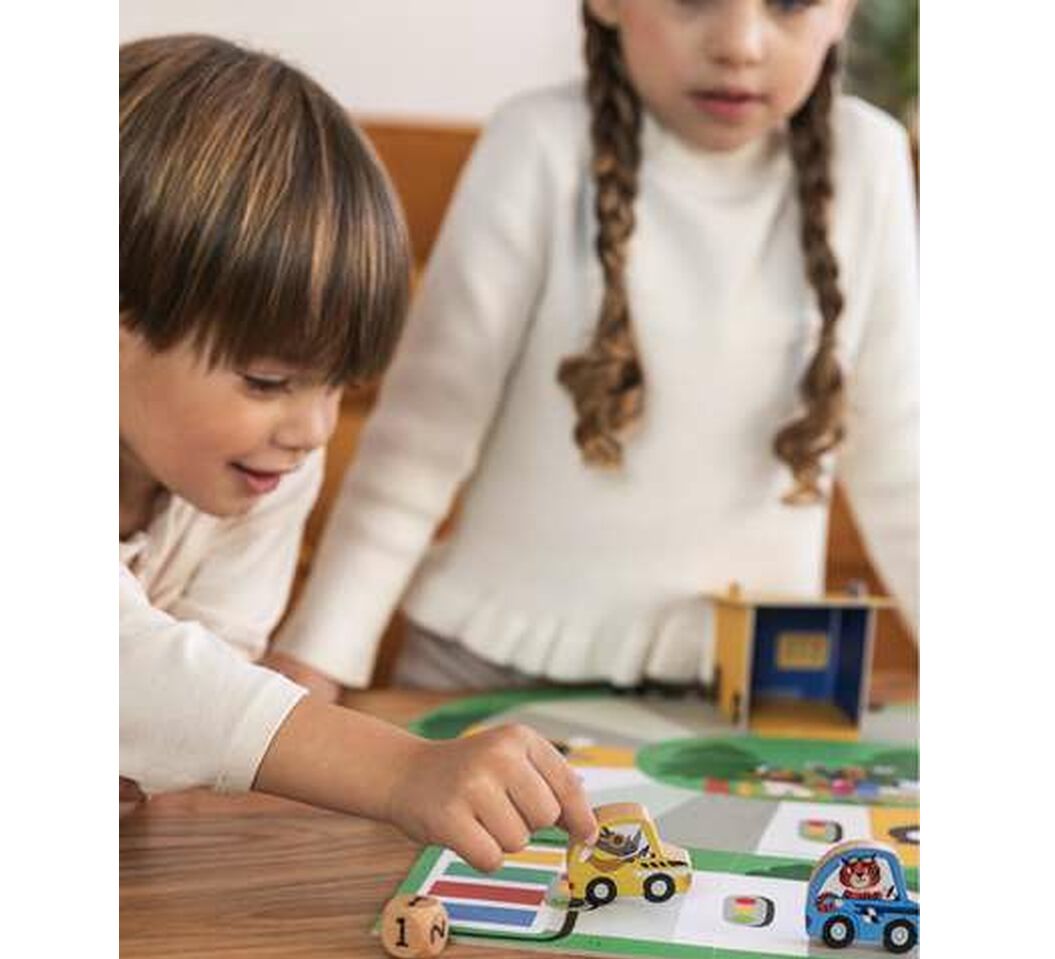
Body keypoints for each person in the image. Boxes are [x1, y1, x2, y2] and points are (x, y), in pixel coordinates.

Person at [271, 0, 918, 697]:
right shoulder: (537, 144)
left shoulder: (871, 162)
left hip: (749, 698)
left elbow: (902, 466)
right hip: (484, 678)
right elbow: (422, 438)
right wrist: (314, 661)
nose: (740, 44)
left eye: (791, 3)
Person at [119, 34, 596, 868]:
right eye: (267, 380)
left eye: (336, 385)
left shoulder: (260, 469)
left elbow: (198, 687)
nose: (312, 429)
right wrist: (402, 770)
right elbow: (131, 670)